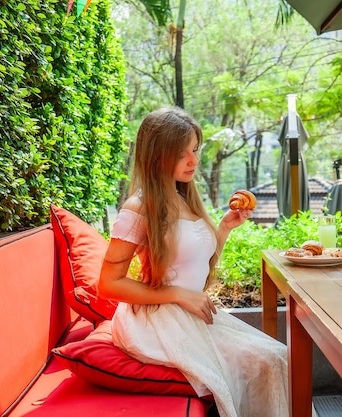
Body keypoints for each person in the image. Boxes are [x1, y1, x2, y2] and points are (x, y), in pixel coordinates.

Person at [98, 106, 289, 417]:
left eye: (195, 150)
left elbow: (196, 268)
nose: (195, 161)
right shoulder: (140, 207)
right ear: (158, 154)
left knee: (277, 355)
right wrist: (176, 294)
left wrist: (224, 228)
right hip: (158, 321)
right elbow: (107, 283)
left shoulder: (183, 196)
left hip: (190, 314)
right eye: (183, 153)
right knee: (264, 361)